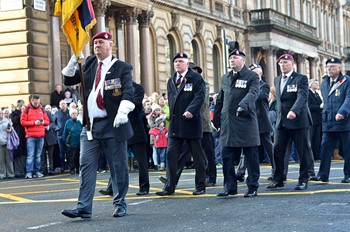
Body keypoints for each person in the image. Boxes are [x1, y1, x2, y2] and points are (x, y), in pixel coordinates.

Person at [61, 31, 135, 219]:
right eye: (94, 43)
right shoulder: (91, 64)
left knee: (117, 167)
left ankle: (120, 203)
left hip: (112, 125)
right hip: (90, 127)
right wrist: (73, 61)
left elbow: (128, 91)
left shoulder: (122, 67)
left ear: (111, 45)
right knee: (86, 167)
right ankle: (84, 207)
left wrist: (123, 111)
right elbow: (69, 80)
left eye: (101, 42)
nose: (97, 45)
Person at [155, 52, 206, 196]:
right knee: (171, 156)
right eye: (175, 61)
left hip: (191, 123)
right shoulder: (172, 80)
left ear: (187, 63)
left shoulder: (195, 78)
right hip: (176, 124)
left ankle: (200, 185)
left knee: (197, 156)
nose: (177, 64)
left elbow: (200, 96)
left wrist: (191, 110)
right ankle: (169, 187)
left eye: (180, 61)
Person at [213, 49, 260, 198]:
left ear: (243, 61)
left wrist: (243, 104)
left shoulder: (251, 76)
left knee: (250, 156)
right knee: (226, 156)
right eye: (230, 58)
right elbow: (221, 98)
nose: (232, 60)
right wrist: (216, 117)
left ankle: (252, 186)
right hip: (228, 123)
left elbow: (253, 92)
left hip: (245, 121)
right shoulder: (225, 78)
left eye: (235, 57)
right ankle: (230, 187)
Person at [266, 54, 313, 191]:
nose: (282, 65)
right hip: (282, 122)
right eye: (281, 63)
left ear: (293, 64)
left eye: (285, 62)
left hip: (298, 121)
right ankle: (278, 179)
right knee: (277, 150)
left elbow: (302, 96)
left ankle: (303, 180)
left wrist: (294, 111)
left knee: (302, 152)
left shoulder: (301, 78)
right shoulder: (277, 79)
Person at [312, 58, 350, 183]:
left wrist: (342, 112)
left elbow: (348, 99)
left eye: (333, 66)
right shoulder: (324, 83)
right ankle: (323, 174)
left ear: (340, 68)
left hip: (344, 122)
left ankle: (348, 175)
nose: (329, 69)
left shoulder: (347, 81)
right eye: (328, 67)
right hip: (328, 121)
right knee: (325, 148)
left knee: (347, 150)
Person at [20, 94, 49, 179]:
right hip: (31, 136)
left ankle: (37, 171)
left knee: (38, 155)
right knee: (30, 155)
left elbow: (47, 121)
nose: (37, 104)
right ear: (31, 101)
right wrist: (34, 123)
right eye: (35, 103)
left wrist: (43, 121)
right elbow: (22, 122)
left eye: (38, 103)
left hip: (40, 135)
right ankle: (29, 172)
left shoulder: (42, 109)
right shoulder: (26, 110)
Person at [62, 109, 83, 175]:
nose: (74, 115)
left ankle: (77, 169)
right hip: (71, 143)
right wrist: (66, 142)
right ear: (71, 115)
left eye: (75, 113)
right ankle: (72, 169)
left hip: (79, 142)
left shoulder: (79, 122)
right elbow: (65, 133)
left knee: (78, 157)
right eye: (73, 113)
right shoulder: (68, 122)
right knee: (72, 157)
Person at [10, 100, 27, 177]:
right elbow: (16, 120)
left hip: (25, 135)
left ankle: (23, 170)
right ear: (19, 106)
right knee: (18, 154)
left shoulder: (26, 112)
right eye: (22, 106)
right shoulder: (14, 113)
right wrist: (22, 113)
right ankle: (18, 171)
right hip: (18, 135)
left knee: (24, 153)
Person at [54, 100, 70, 173]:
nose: (63, 105)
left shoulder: (69, 112)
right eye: (61, 104)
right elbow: (53, 123)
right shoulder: (57, 113)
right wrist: (57, 128)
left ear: (66, 105)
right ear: (59, 105)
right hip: (60, 135)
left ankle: (69, 166)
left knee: (69, 151)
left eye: (64, 104)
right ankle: (62, 166)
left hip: (69, 135)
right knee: (61, 152)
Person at [308, 79, 323, 161]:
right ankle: (310, 155)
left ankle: (316, 155)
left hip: (318, 119)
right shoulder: (308, 93)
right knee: (310, 137)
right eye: (315, 83)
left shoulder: (317, 94)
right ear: (311, 84)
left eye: (318, 83)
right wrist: (319, 107)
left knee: (317, 138)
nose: (317, 84)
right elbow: (309, 106)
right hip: (311, 119)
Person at [41, 105, 58, 175]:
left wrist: (48, 126)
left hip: (50, 137)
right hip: (41, 137)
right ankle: (44, 170)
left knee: (51, 155)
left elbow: (53, 123)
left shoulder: (48, 113)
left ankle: (51, 169)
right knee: (42, 156)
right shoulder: (36, 114)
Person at [0, 109, 13, 179]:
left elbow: (10, 129)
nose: (1, 115)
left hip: (7, 142)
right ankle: (2, 174)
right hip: (0, 143)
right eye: (0, 113)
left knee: (9, 159)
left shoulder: (6, 121)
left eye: (1, 113)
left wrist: (9, 129)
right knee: (1, 160)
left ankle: (10, 174)